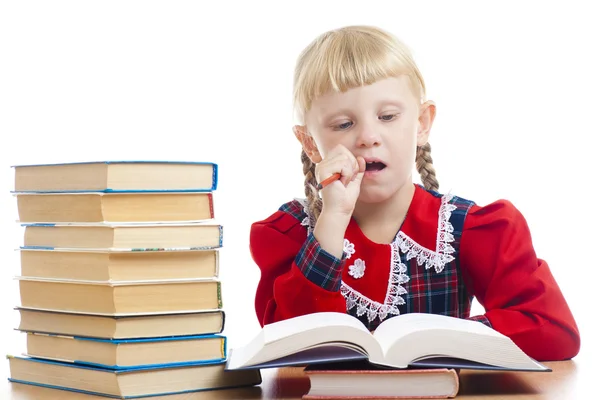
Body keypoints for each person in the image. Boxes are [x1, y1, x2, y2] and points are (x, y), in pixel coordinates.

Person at [249, 25, 580, 361]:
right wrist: (332, 219)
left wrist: (440, 340)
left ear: (421, 123)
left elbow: (552, 330)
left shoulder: (472, 229)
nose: (368, 137)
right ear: (310, 143)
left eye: (387, 116)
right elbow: (288, 346)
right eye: (343, 124)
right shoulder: (290, 234)